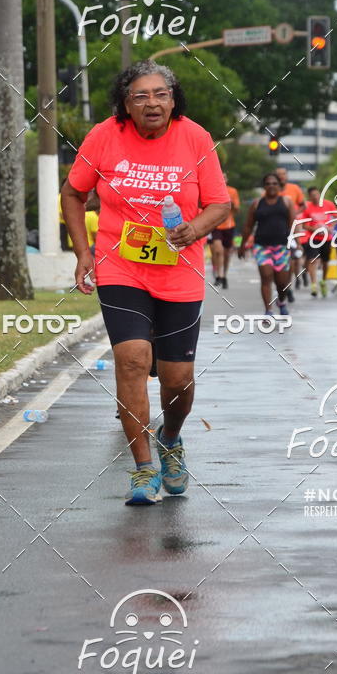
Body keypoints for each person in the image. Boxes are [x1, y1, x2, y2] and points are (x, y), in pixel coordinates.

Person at [62, 60, 230, 505]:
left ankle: (170, 439)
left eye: (161, 94)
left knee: (178, 379)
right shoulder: (104, 136)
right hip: (121, 266)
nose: (152, 103)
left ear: (173, 101)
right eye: (140, 96)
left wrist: (194, 229)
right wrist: (83, 252)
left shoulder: (195, 137)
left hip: (179, 270)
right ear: (125, 103)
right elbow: (73, 193)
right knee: (132, 359)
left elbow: (220, 204)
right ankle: (142, 468)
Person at [238, 172, 296, 315]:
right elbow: (248, 226)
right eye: (268, 184)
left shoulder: (287, 202)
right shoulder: (257, 204)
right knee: (266, 277)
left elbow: (293, 224)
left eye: (274, 183)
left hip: (282, 246)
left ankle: (281, 301)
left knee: (282, 283)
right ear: (264, 186)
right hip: (262, 246)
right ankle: (268, 310)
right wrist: (242, 245)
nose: (271, 186)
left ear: (279, 186)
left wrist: (297, 243)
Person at [300, 186, 337, 297]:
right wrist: (314, 229)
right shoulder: (307, 207)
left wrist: (331, 227)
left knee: (325, 262)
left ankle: (323, 282)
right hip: (313, 238)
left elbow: (336, 217)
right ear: (309, 197)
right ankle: (314, 285)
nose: (316, 197)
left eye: (317, 195)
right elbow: (304, 225)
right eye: (313, 196)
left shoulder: (328, 204)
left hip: (327, 238)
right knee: (313, 260)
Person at [277, 167, 306, 297]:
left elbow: (303, 205)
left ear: (287, 176)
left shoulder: (294, 188)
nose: (281, 176)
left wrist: (293, 214)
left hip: (291, 229)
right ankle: (284, 286)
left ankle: (289, 285)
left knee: (292, 259)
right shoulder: (272, 190)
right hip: (276, 229)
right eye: (279, 174)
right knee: (280, 262)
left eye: (283, 174)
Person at [210, 173, 240, 289]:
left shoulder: (232, 191)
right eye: (220, 178)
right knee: (218, 250)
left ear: (227, 180)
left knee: (227, 253)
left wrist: (231, 203)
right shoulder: (213, 190)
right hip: (216, 225)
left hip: (229, 225)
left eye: (224, 178)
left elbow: (237, 209)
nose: (222, 180)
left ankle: (224, 275)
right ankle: (219, 275)